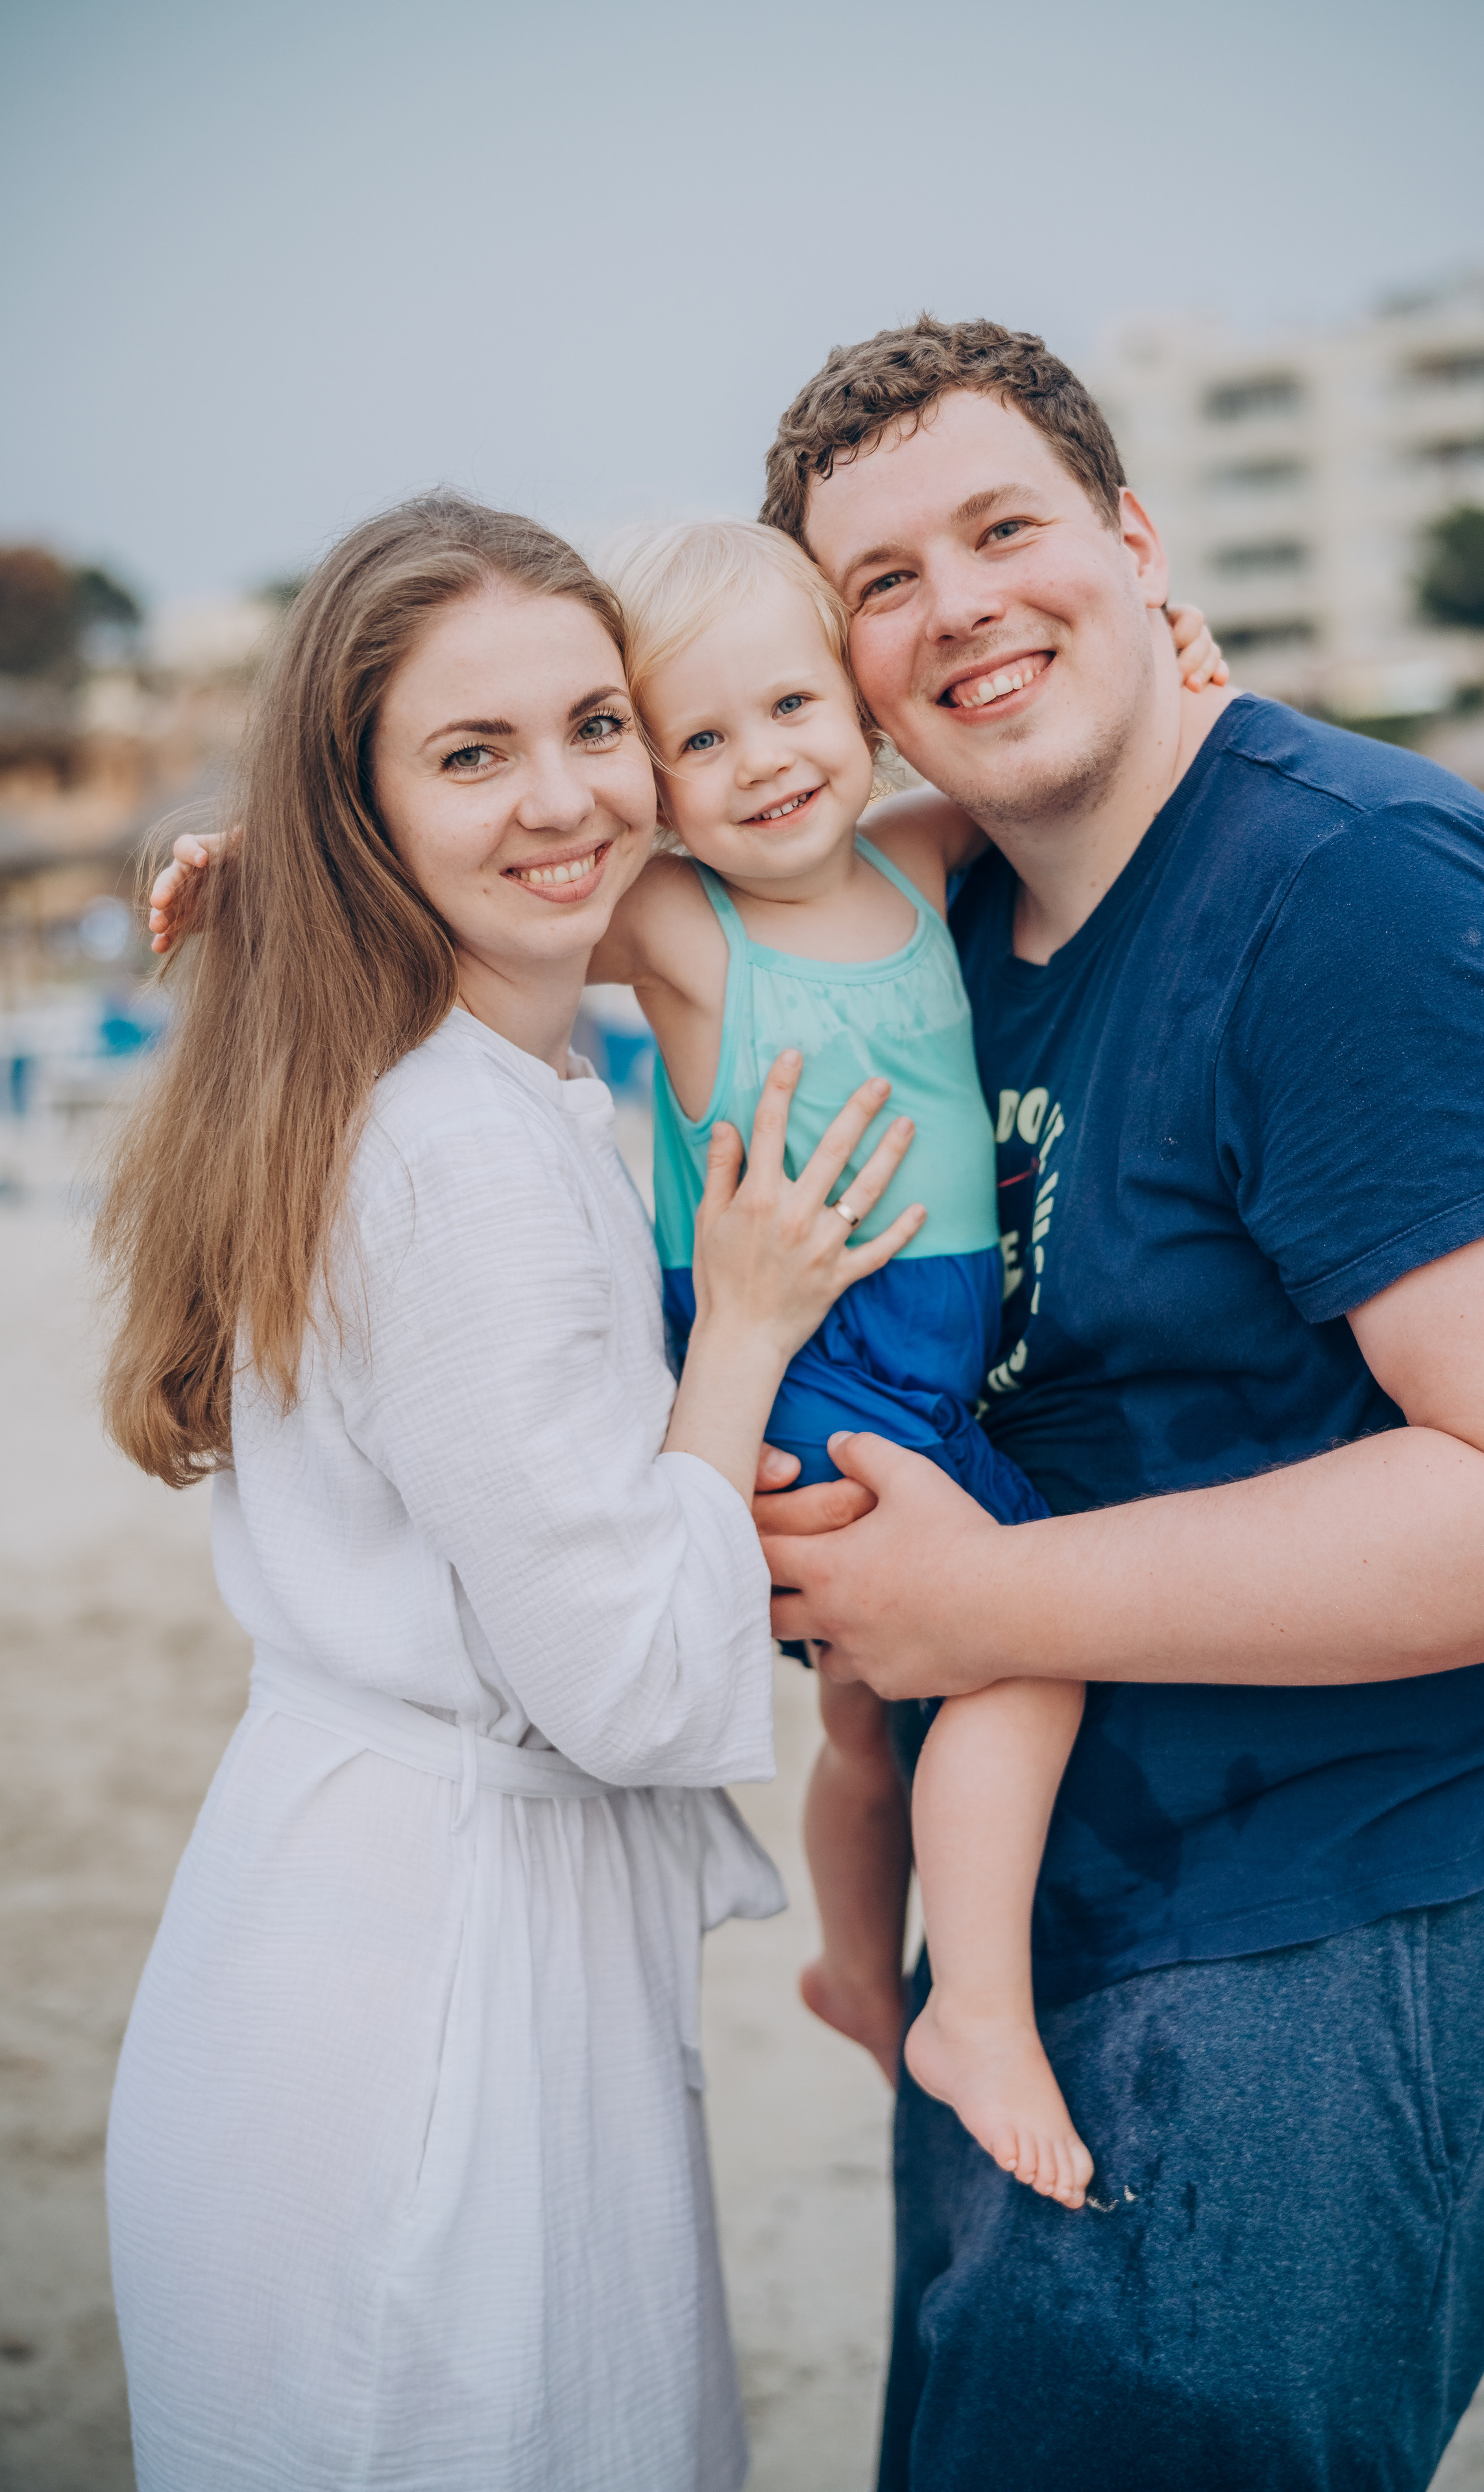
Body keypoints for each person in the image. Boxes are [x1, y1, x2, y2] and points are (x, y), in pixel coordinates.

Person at [755, 317, 1484, 2491]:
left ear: (1137, 540)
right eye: (884, 583)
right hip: (1061, 1898)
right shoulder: (954, 926)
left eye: (1007, 529)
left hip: (1356, 1892)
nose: (960, 603)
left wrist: (981, 1607)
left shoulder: (1361, 893)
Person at [147, 520, 1227, 2215]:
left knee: (872, 1728)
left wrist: (1177, 672)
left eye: (794, 711)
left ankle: (861, 1973)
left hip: (920, 1350)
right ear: (664, 777)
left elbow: (1064, 767)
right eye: (696, 740)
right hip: (822, 1355)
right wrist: (261, 871)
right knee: (1023, 1655)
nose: (760, 765)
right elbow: (438, 864)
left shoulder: (921, 864)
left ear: (863, 719)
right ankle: (982, 2013)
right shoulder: (683, 924)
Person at [98, 492, 926, 2492]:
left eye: (594, 726)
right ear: (359, 809)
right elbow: (633, 1687)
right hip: (430, 2006)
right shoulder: (454, 1148)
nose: (563, 799)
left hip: (368, 1913)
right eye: (470, 754)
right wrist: (738, 1332)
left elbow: (836, 851)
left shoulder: (442, 1070)